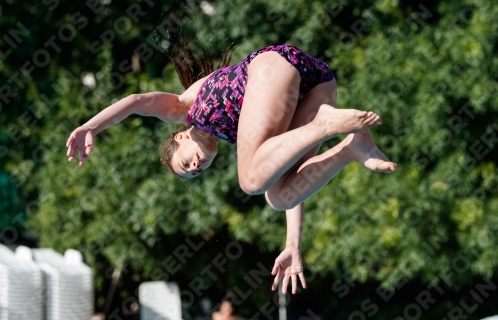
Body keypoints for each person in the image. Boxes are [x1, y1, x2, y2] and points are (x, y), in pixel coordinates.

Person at [66, 43, 397, 295]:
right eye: (194, 172)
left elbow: (138, 101)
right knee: (280, 194)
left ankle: (326, 126)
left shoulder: (185, 108)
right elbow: (293, 178)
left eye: (186, 161)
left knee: (251, 181)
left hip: (272, 67)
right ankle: (351, 148)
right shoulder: (250, 135)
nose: (196, 165)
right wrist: (293, 243)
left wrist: (91, 127)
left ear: (180, 137)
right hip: (318, 83)